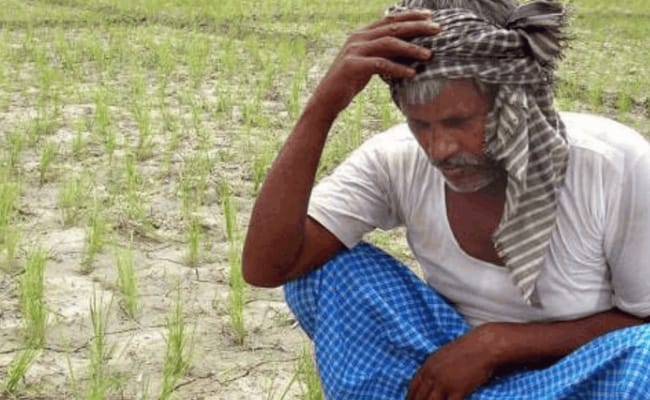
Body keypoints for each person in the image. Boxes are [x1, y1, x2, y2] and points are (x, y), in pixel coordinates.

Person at [242, 0, 650, 398]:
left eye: (459, 121)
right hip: (446, 373)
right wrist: (324, 106)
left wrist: (499, 344)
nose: (438, 148)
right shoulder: (395, 159)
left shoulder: (612, 166)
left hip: (575, 376)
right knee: (321, 272)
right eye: (420, 125)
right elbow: (268, 266)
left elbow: (643, 321)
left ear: (515, 101)